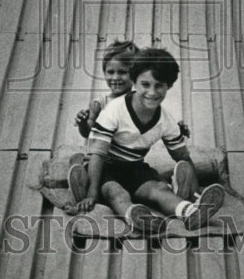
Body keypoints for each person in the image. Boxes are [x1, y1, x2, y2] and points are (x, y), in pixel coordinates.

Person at [69, 46, 224, 231]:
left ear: (169, 86)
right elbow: (98, 154)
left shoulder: (166, 121)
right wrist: (92, 194)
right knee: (115, 192)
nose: (152, 92)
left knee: (159, 189)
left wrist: (195, 191)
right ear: (134, 81)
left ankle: (190, 212)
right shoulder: (114, 109)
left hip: (134, 169)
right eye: (145, 84)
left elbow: (182, 157)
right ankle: (135, 216)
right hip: (106, 168)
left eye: (159, 85)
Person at [74, 39, 141, 138]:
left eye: (122, 72)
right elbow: (88, 133)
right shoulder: (99, 104)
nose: (115, 78)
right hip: (101, 152)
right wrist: (82, 124)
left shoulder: (138, 103)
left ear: (135, 74)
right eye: (110, 72)